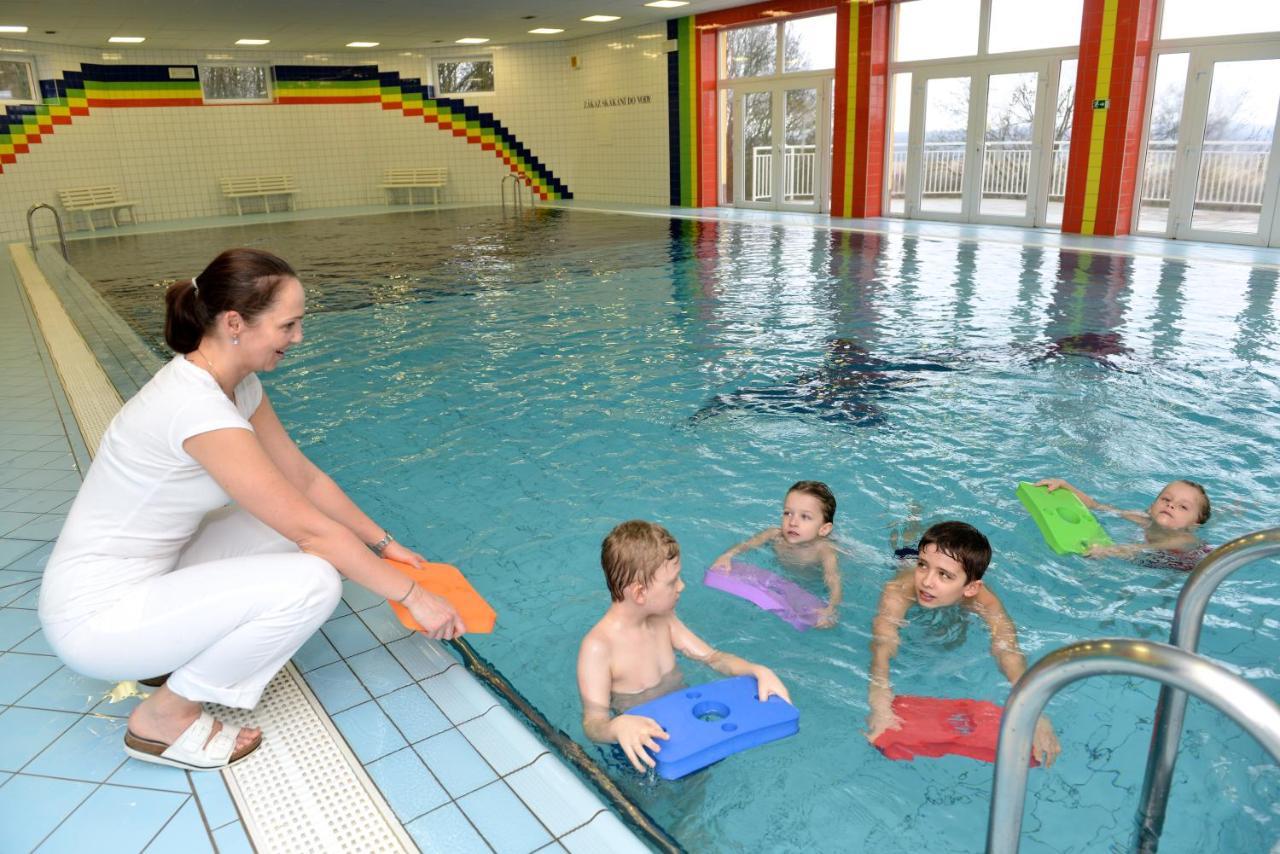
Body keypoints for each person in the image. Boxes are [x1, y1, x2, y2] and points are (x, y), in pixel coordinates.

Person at [38, 248, 465, 772]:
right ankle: (163, 720)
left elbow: (303, 479)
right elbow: (311, 530)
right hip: (95, 618)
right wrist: (412, 594)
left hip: (148, 575)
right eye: (288, 325)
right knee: (313, 579)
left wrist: (383, 544)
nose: (299, 338)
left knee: (285, 532)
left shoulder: (235, 384)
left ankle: (161, 655)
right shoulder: (194, 408)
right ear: (235, 322)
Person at [577, 520, 791, 774]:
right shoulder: (598, 648)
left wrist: (756, 670)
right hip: (640, 747)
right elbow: (594, 722)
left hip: (687, 731)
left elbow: (713, 657)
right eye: (672, 582)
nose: (682, 586)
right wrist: (618, 727)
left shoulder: (664, 621)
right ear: (640, 593)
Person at [866, 520, 1061, 767]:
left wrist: (1035, 713)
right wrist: (880, 702)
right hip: (903, 560)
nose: (926, 581)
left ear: (971, 588)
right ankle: (912, 522)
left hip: (957, 601)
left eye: (944, 576)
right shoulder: (899, 589)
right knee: (903, 548)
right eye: (922, 566)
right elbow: (883, 645)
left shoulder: (984, 601)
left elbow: (1008, 652)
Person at [710, 480, 842, 627]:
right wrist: (727, 556)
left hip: (812, 585)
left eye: (805, 517)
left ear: (823, 529)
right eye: (788, 513)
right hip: (785, 579)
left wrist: (831, 608)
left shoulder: (824, 550)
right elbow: (746, 545)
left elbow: (833, 579)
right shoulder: (774, 535)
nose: (793, 522)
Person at [1035, 478, 1212, 569]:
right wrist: (1065, 486)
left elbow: (1140, 549)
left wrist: (1108, 550)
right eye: (1166, 499)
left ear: (1194, 525)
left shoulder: (1184, 540)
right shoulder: (1143, 520)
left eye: (1183, 507)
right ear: (1151, 508)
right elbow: (1097, 506)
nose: (1171, 505)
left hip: (1186, 567)